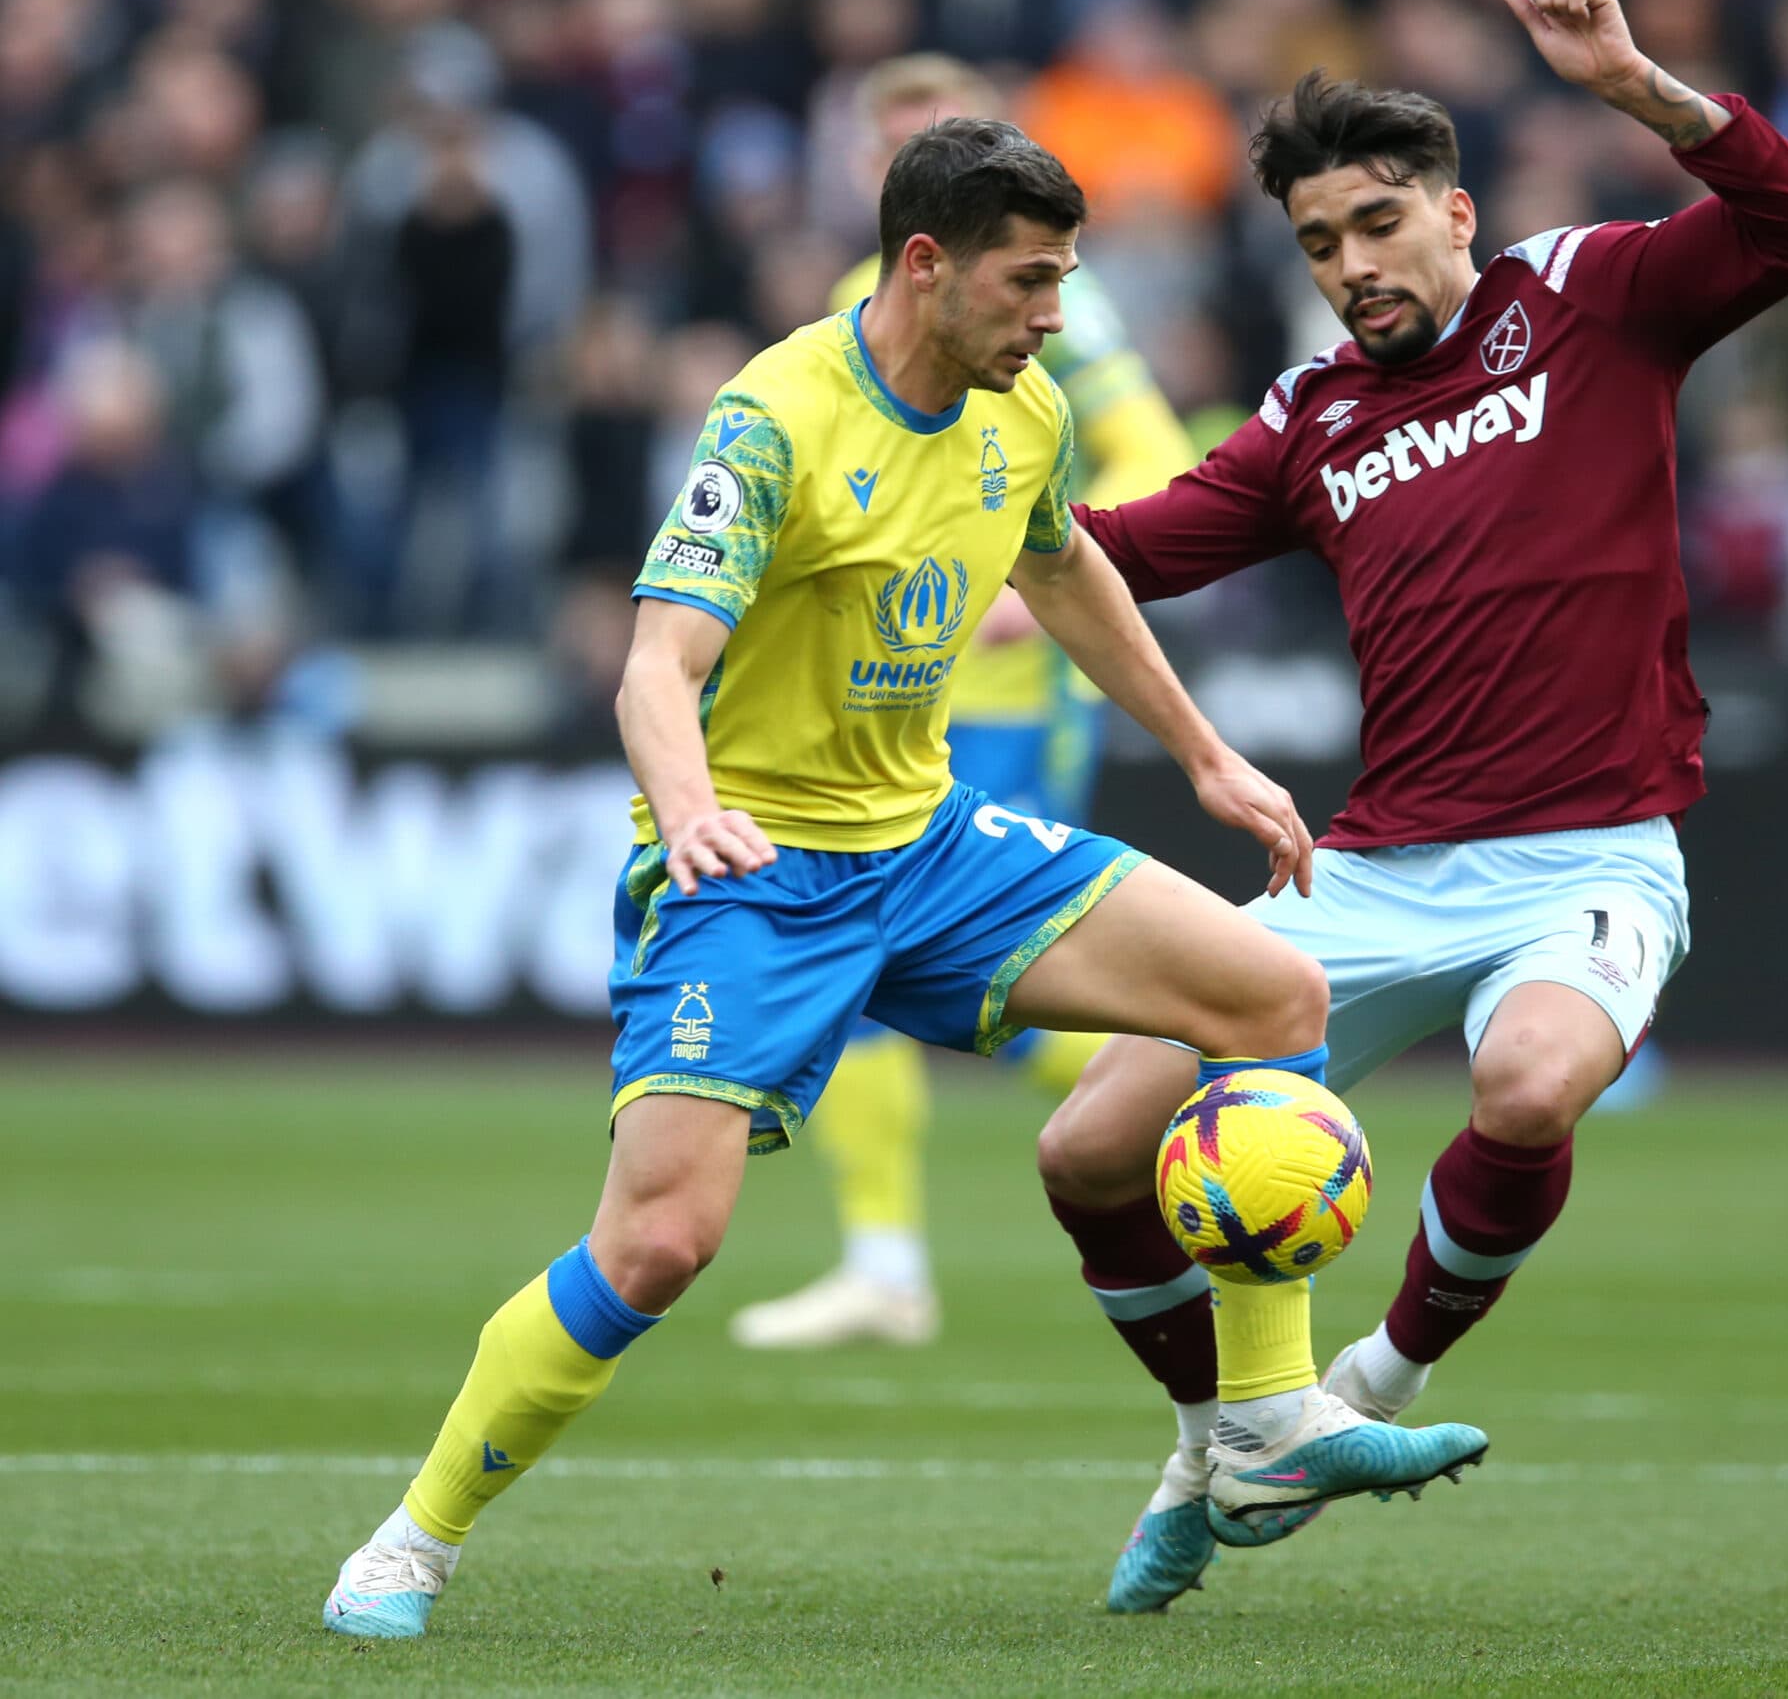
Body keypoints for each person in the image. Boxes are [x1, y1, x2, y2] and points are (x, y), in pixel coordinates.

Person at [319, 119, 1483, 1639]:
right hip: (752, 871)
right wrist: (688, 818)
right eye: (1030, 282)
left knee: (1274, 989)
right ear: (923, 266)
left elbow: (1063, 568)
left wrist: (1202, 755)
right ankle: (410, 1541)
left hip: (929, 850)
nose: (1054, 315)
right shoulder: (775, 418)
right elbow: (655, 668)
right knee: (662, 1240)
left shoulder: (1026, 414)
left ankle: (1262, 1423)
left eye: (1065, 280)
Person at [1035, 0, 1788, 1611]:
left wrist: (1638, 86)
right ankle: (1222, 1438)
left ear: (1455, 212)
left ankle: (1373, 1386)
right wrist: (937, 539)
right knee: (1084, 1152)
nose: (1351, 267)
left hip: (1591, 856)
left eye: (1376, 225)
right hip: (1378, 867)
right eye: (1319, 244)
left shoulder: (1586, 297)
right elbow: (1117, 552)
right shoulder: (1309, 416)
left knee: (1535, 1091)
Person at [729, 53, 1200, 1352]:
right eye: (882, 138)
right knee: (866, 983)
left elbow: (1156, 450)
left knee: (1022, 983)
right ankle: (885, 1262)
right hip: (873, 721)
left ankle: (1219, 1083)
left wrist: (1033, 572)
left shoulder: (1056, 317)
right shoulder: (846, 315)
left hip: (999, 700)